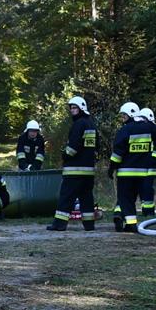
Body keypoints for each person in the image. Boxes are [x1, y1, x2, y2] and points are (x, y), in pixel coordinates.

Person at [48, 96, 100, 231]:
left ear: (82, 108)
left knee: (66, 197)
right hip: (88, 171)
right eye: (71, 108)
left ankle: (59, 224)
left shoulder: (78, 124)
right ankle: (89, 225)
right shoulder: (91, 125)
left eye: (75, 107)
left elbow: (73, 148)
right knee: (87, 198)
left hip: (74, 170)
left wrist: (64, 155)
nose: (72, 110)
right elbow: (96, 147)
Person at [108, 107, 156, 232]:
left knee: (125, 198)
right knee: (138, 196)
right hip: (144, 172)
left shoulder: (125, 130)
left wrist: (111, 167)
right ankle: (138, 219)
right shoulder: (150, 130)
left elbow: (118, 153)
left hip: (126, 172)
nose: (123, 118)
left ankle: (126, 219)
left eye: (124, 115)